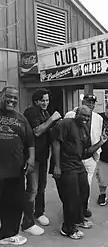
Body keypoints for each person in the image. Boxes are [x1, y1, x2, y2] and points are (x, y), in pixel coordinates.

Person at [51, 105, 108, 240]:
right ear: (76, 113)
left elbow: (86, 151)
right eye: (83, 115)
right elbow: (56, 143)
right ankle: (68, 228)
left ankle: (79, 219)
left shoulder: (84, 128)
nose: (85, 118)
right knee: (71, 197)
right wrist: (57, 166)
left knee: (84, 192)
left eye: (88, 116)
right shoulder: (66, 123)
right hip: (65, 165)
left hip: (78, 164)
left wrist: (101, 142)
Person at [21, 88, 61, 235]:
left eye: (47, 100)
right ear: (36, 101)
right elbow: (37, 131)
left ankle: (39, 213)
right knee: (32, 189)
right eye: (42, 100)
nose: (45, 103)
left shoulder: (45, 112)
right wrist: (52, 119)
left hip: (43, 156)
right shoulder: (31, 112)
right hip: (33, 157)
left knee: (41, 187)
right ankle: (27, 222)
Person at [0, 86, 35, 245]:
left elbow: (30, 142)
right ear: (1, 96)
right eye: (9, 96)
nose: (12, 100)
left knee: (14, 204)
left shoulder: (21, 118)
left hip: (15, 171)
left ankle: (8, 235)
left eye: (15, 98)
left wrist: (31, 159)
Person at [64, 94, 103, 217]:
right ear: (82, 102)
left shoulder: (98, 118)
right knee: (74, 188)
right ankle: (72, 212)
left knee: (87, 186)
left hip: (90, 157)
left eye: (92, 103)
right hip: (74, 159)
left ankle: (83, 209)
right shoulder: (70, 115)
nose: (90, 105)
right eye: (87, 102)